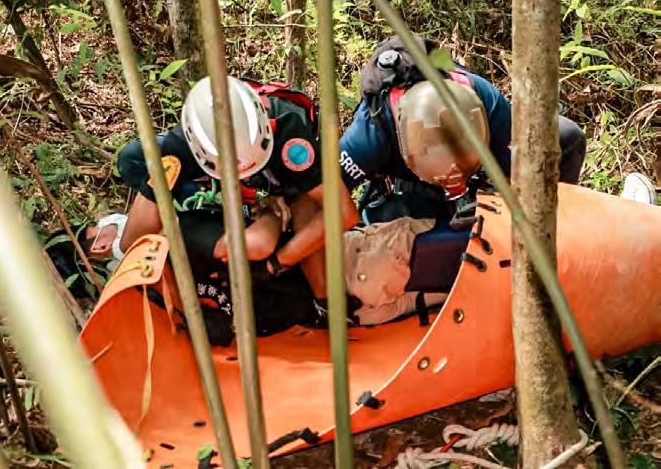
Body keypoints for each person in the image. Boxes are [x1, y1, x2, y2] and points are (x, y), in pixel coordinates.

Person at [116, 76, 359, 302]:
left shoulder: (290, 134)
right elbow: (133, 242)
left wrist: (273, 265)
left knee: (322, 288)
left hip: (285, 184)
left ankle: (271, 214)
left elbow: (344, 212)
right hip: (223, 191)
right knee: (132, 160)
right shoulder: (179, 149)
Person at [339, 35, 587, 224]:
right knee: (393, 221)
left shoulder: (485, 99)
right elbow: (329, 193)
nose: (452, 172)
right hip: (412, 190)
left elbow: (515, 170)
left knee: (566, 137)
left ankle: (559, 232)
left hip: (481, 175)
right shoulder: (371, 132)